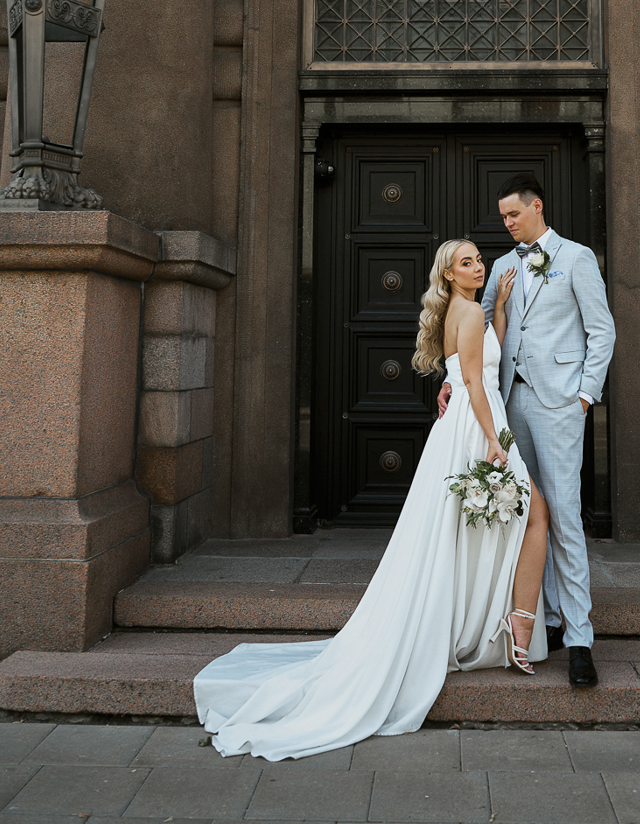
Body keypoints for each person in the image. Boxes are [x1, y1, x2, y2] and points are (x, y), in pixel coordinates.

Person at [192, 239, 549, 760]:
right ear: (450, 274)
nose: (478, 267)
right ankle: (516, 629)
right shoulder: (468, 312)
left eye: (478, 259)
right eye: (467, 263)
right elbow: (474, 380)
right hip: (479, 426)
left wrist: (498, 308)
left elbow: (469, 364)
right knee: (532, 517)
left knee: (470, 528)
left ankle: (502, 627)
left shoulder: (462, 311)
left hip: (462, 425)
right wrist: (494, 440)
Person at [438, 173, 615, 687]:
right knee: (527, 515)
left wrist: (585, 396)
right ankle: (550, 620)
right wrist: (450, 379)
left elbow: (602, 330)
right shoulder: (500, 267)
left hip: (560, 404)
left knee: (564, 516)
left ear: (537, 207)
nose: (507, 224)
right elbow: (474, 330)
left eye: (513, 215)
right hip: (507, 406)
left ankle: (579, 639)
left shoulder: (577, 258)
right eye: (503, 218)